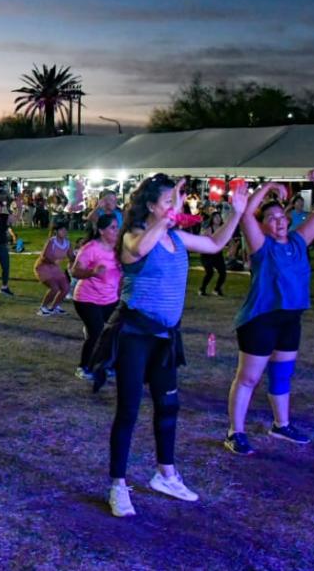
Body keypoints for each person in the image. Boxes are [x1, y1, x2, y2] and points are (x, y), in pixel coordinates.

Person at [90, 174, 248, 518]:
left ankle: (166, 474)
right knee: (128, 411)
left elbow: (215, 244)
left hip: (165, 338)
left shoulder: (176, 237)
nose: (175, 207)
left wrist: (237, 213)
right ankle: (118, 484)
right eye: (167, 202)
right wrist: (165, 218)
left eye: (175, 202)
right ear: (150, 206)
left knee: (168, 407)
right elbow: (142, 249)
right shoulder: (132, 238)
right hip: (134, 335)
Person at [224, 171, 314, 456]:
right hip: (260, 320)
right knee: (248, 378)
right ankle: (236, 432)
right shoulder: (261, 246)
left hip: (289, 319)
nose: (279, 221)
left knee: (282, 375)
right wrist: (268, 186)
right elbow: (245, 214)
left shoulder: (298, 242)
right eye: (271, 218)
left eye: (281, 216)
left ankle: (281, 425)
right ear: (262, 225)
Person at [72, 214, 121, 380]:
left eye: (117, 227)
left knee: (112, 333)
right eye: (113, 227)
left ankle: (106, 365)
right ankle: (83, 367)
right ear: (101, 231)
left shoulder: (120, 248)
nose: (117, 230)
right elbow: (75, 271)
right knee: (97, 332)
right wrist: (92, 272)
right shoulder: (91, 248)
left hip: (110, 298)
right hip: (87, 298)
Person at [35, 222, 73, 315]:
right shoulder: (51, 241)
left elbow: (71, 256)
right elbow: (44, 256)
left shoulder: (67, 243)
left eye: (65, 229)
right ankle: (42, 308)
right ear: (56, 231)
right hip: (43, 267)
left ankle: (55, 307)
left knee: (66, 288)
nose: (64, 231)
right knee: (54, 288)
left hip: (54, 268)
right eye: (62, 230)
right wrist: (53, 261)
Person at [198, 211, 228, 296]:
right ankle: (202, 289)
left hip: (217, 254)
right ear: (212, 219)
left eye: (219, 217)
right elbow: (201, 239)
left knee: (223, 273)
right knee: (210, 272)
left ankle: (217, 289)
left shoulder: (223, 228)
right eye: (216, 217)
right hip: (207, 254)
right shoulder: (208, 229)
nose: (218, 219)